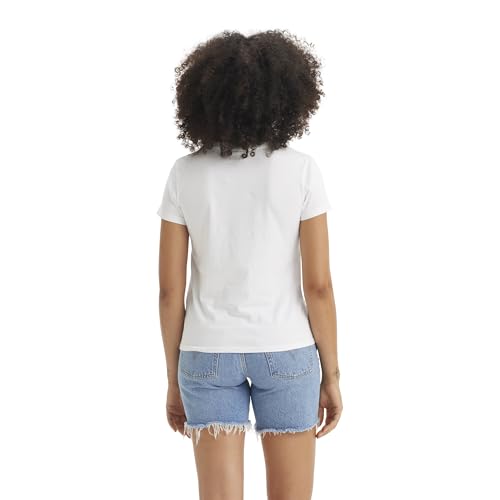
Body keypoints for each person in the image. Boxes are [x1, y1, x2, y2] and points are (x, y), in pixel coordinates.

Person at [157, 28, 342, 500]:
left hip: (205, 353)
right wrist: (332, 375)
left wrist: (173, 379)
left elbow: (169, 292)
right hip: (287, 350)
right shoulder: (301, 170)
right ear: (287, 96)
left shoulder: (185, 173)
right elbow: (318, 286)